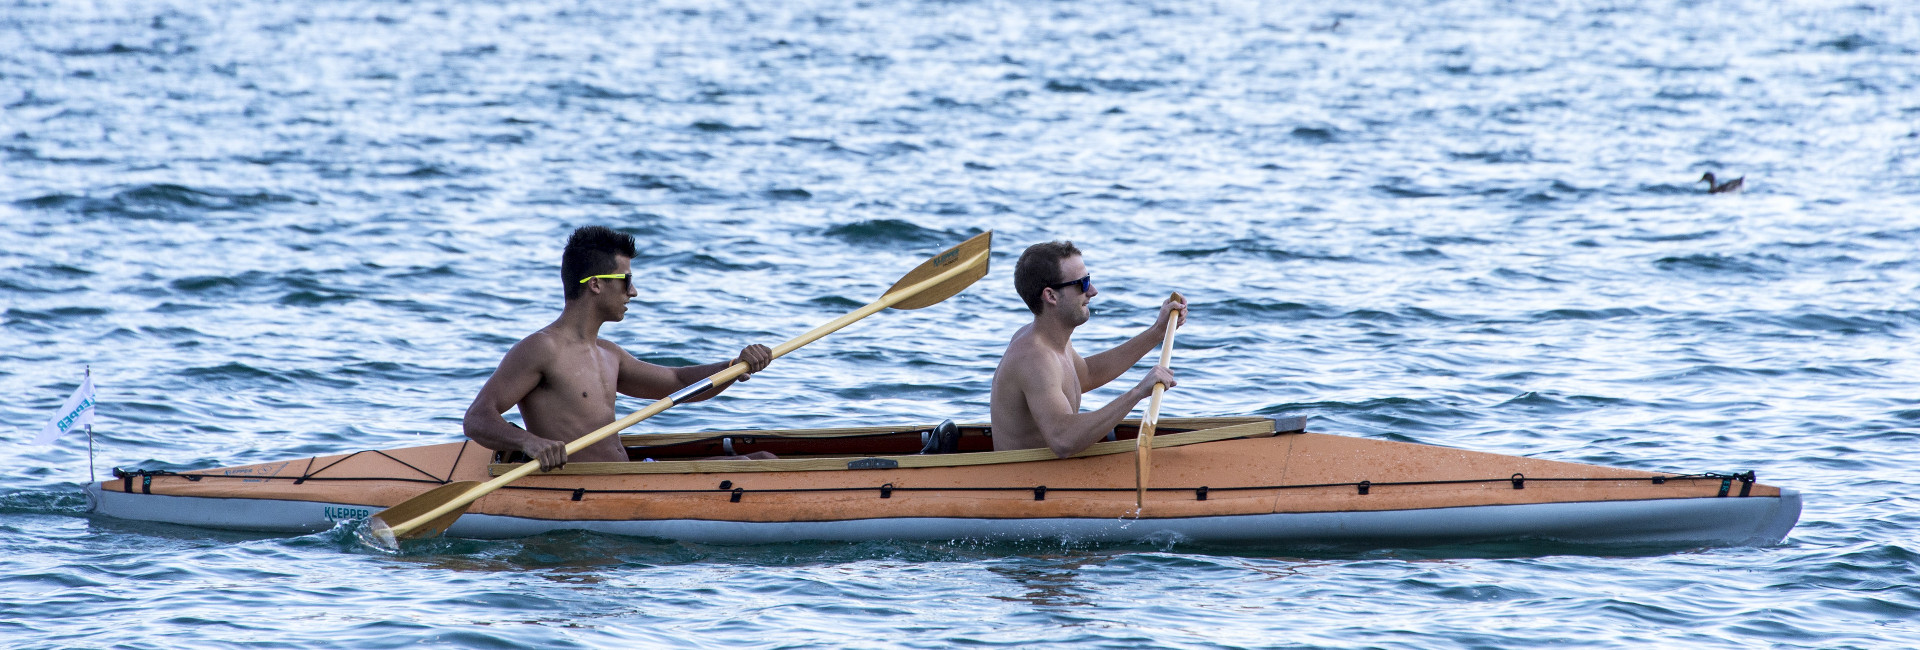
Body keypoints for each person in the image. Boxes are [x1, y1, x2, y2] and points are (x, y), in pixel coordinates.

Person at [463, 226, 774, 471]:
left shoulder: (610, 354)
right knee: (747, 466)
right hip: (587, 487)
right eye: (627, 281)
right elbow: (477, 418)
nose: (634, 292)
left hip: (625, 476)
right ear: (596, 283)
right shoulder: (542, 349)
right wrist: (529, 443)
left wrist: (736, 365)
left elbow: (679, 382)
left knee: (762, 459)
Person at [989, 241, 1186, 458]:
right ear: (1051, 296)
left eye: (1089, 280)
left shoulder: (1052, 342)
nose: (1092, 291)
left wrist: (1158, 331)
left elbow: (1089, 374)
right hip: (1024, 484)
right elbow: (1063, 440)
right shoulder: (1034, 358)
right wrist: (1138, 392)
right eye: (1082, 284)